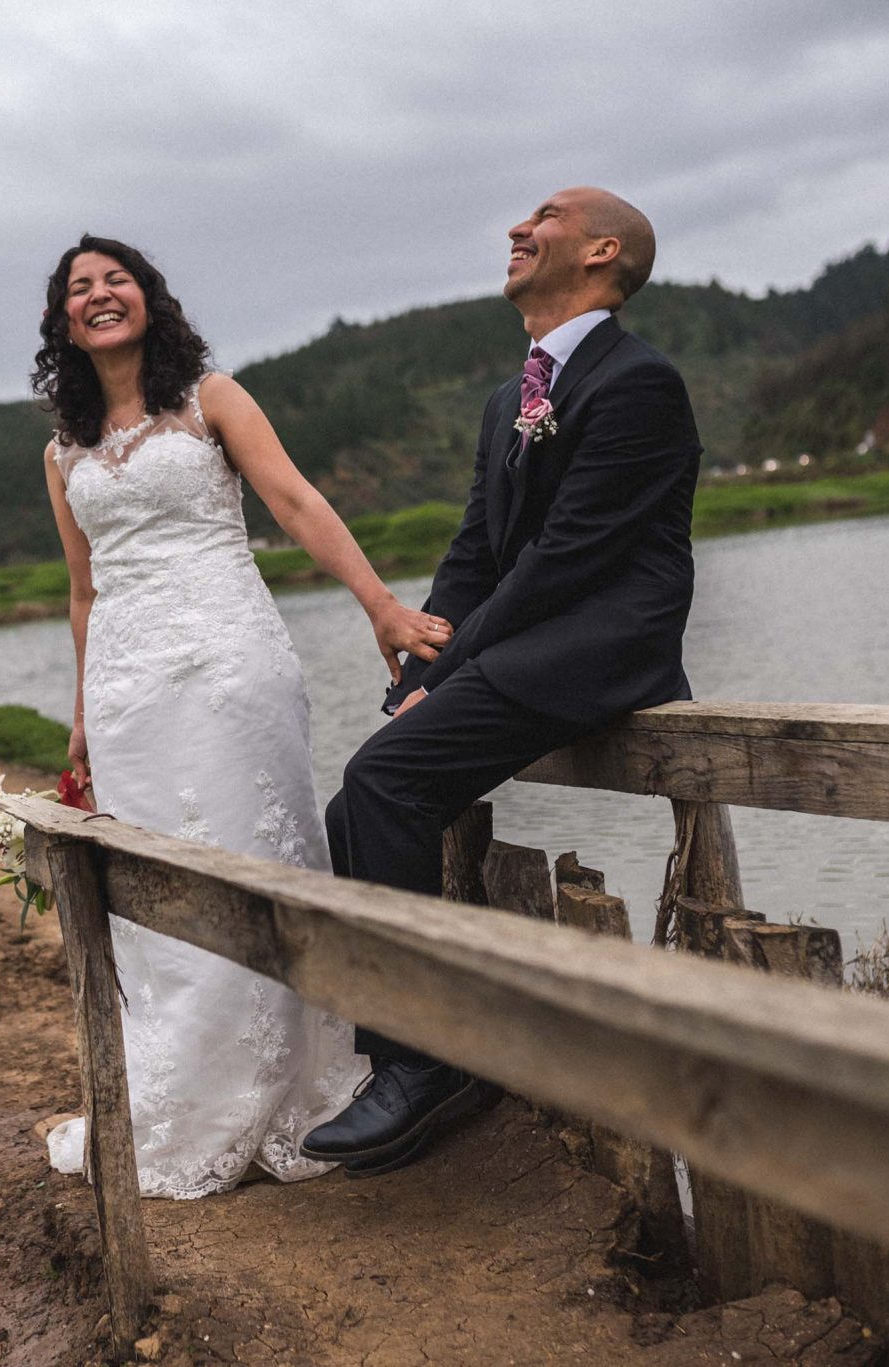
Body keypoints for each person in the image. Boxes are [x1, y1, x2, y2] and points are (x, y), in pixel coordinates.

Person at [34, 233, 452, 1198]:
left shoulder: (212, 398)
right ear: (64, 321)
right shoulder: (62, 452)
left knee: (258, 848)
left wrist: (380, 604)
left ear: (148, 298)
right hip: (130, 687)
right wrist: (84, 713)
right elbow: (83, 592)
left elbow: (297, 502)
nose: (99, 295)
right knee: (161, 875)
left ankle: (299, 1081)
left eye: (116, 280)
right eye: (79, 289)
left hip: (231, 657)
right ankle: (187, 1088)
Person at [303, 187, 702, 1177]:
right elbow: (477, 549)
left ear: (601, 252)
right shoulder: (507, 399)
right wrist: (423, 663)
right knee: (360, 801)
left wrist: (461, 666)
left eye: (545, 216)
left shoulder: (637, 381)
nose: (518, 230)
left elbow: (568, 558)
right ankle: (434, 1046)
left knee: (385, 781)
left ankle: (420, 1061)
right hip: (524, 642)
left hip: (600, 644)